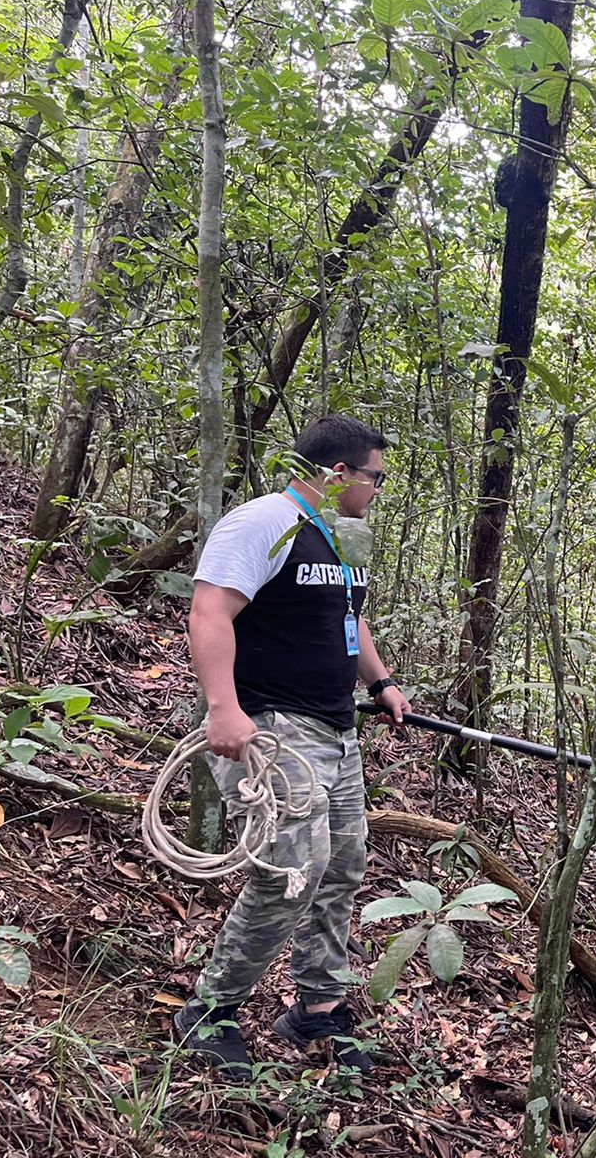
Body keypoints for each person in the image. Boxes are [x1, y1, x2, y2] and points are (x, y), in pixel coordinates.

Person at [173, 413, 411, 1079]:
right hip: (273, 729)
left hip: (334, 728)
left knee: (341, 865)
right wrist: (223, 708)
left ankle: (319, 1005)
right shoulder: (261, 523)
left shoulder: (341, 537)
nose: (377, 491)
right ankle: (210, 1010)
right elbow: (209, 610)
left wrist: (382, 681)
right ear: (337, 474)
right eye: (375, 479)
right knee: (290, 872)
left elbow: (349, 617)